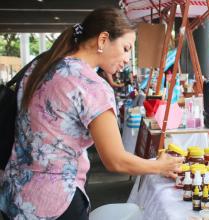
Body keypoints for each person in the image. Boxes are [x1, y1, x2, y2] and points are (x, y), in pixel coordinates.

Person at [0, 8, 183, 220]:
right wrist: (159, 166)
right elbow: (115, 160)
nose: (126, 59)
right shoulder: (91, 85)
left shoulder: (39, 68)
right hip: (57, 203)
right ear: (103, 39)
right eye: (125, 48)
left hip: (16, 196)